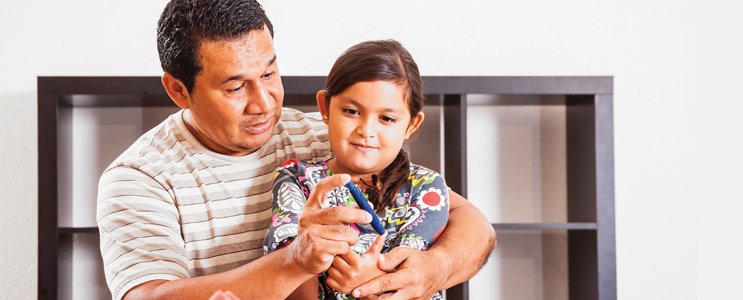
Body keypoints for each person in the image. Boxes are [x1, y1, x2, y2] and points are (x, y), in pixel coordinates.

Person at [95, 0, 496, 299]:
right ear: (178, 90)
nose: (264, 103)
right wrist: (295, 261)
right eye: (235, 87)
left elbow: (470, 223)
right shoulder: (139, 178)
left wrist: (429, 270)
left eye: (269, 73)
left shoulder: (326, 134)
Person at [264, 40, 448, 300]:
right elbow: (290, 281)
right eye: (351, 111)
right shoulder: (296, 179)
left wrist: (363, 284)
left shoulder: (427, 187)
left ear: (411, 124)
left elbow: (411, 280)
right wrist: (306, 257)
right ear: (325, 108)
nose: (366, 130)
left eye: (387, 118)